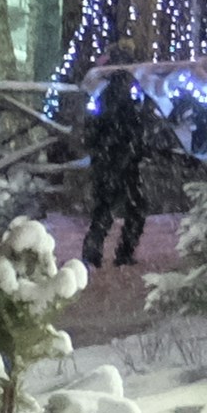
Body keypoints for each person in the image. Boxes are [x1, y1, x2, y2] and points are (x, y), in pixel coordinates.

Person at [80, 68, 158, 271]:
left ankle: (95, 254)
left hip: (111, 167)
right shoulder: (124, 109)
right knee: (128, 211)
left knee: (107, 212)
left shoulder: (105, 105)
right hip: (119, 167)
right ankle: (118, 253)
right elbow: (136, 136)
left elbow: (93, 136)